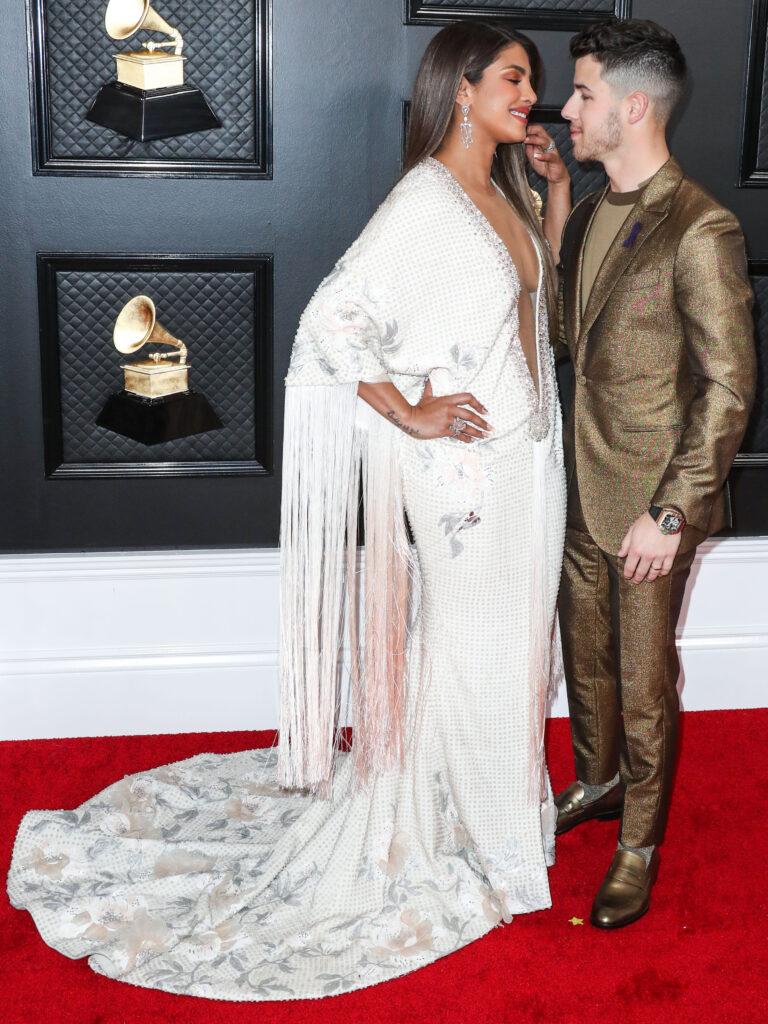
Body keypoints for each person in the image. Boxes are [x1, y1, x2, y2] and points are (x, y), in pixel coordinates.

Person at [7, 22, 572, 999]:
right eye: (516, 78)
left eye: (534, 79)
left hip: (528, 458)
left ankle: (486, 818)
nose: (533, 93)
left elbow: (535, 302)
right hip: (464, 477)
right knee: (474, 645)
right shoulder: (426, 204)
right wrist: (413, 410)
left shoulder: (503, 190)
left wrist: (557, 191)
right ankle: (461, 833)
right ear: (463, 87)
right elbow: (331, 332)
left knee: (512, 649)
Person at [555, 18, 756, 929]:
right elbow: (575, 342)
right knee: (583, 660)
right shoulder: (595, 209)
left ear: (632, 107)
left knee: (642, 681)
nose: (567, 109)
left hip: (647, 509)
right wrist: (557, 197)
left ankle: (639, 842)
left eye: (583, 93)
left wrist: (670, 514)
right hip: (578, 484)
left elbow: (728, 388)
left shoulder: (701, 226)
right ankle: (595, 783)